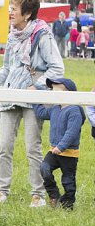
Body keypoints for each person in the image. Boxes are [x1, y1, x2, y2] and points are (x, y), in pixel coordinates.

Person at [0, 0, 64, 207]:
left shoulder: (42, 34)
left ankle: (38, 195)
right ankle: (2, 191)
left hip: (31, 98)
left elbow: (57, 67)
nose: (10, 12)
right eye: (10, 8)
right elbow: (7, 68)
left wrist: (38, 85)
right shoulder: (12, 34)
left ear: (28, 12)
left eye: (14, 8)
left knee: (32, 147)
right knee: (4, 146)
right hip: (9, 95)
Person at [35, 77, 84, 209]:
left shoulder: (74, 110)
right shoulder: (55, 108)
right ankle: (54, 195)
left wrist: (61, 146)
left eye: (56, 86)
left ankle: (67, 204)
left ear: (67, 90)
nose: (52, 89)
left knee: (68, 180)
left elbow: (71, 132)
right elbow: (41, 113)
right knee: (44, 168)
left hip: (69, 153)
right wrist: (34, 99)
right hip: (54, 150)